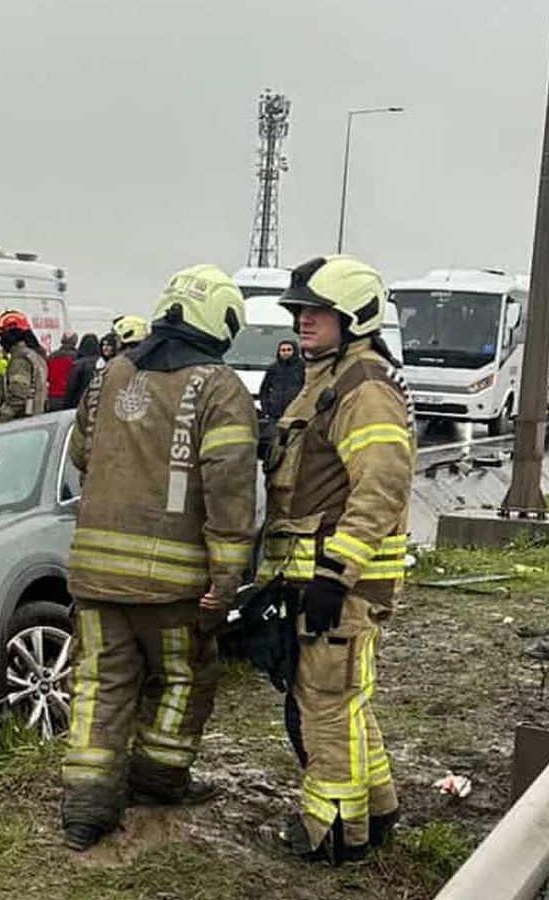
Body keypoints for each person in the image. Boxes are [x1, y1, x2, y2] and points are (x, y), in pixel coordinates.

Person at [62, 264, 257, 852]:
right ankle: (157, 779)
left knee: (99, 682)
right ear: (220, 321)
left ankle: (85, 809)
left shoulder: (108, 375)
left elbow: (80, 456)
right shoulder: (220, 388)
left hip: (93, 572)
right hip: (174, 586)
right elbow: (229, 488)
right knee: (182, 677)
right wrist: (225, 579)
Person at [262, 256, 410, 865]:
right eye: (300, 311)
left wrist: (334, 573)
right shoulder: (329, 379)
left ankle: (330, 831)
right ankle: (377, 811)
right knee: (345, 703)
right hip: (314, 575)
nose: (303, 320)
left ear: (355, 317)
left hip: (336, 582)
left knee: (324, 707)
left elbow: (381, 486)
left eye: (317, 311)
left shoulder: (363, 388)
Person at [0, 311, 48, 422]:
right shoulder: (34, 355)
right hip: (35, 419)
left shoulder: (20, 358)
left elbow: (17, 396)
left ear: (12, 334)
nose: (0, 341)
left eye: (2, 335)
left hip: (21, 422)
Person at [259, 339, 305, 424]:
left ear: (295, 351)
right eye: (283, 350)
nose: (285, 352)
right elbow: (264, 390)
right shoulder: (273, 368)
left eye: (289, 350)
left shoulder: (303, 367)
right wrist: (266, 410)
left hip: (295, 413)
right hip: (275, 414)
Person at [61, 333, 101, 410]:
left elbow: (71, 388)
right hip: (98, 404)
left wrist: (66, 405)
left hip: (79, 404)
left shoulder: (77, 365)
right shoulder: (104, 363)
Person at [47, 332, 78, 412]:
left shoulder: (51, 356)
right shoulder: (77, 357)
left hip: (52, 396)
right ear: (75, 341)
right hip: (69, 397)